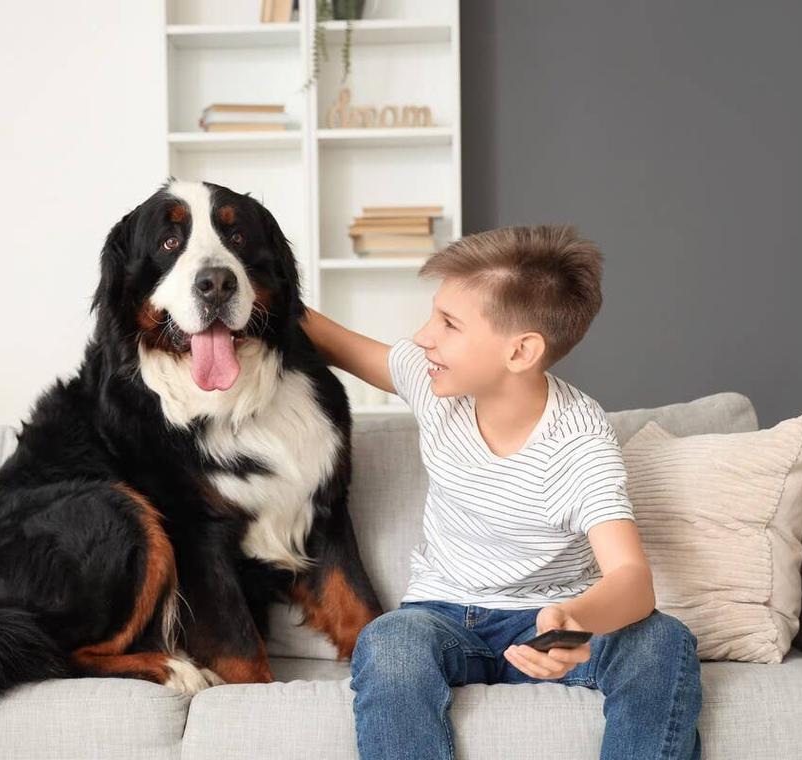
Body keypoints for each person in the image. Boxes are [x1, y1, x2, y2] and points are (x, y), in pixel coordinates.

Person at [299, 225, 703, 760]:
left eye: (448, 324)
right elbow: (327, 338)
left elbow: (632, 579)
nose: (424, 337)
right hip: (439, 616)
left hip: (544, 623)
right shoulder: (432, 379)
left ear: (520, 351)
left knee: (662, 640)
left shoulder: (580, 443)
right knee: (389, 640)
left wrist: (574, 621)